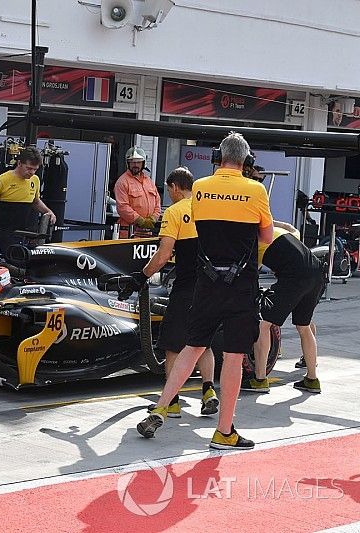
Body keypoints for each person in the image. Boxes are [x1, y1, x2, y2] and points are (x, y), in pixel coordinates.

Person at [136, 132, 273, 450]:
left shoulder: (200, 187)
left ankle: (161, 406)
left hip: (205, 283)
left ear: (217, 157)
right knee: (235, 357)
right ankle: (224, 432)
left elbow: (199, 224)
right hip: (240, 286)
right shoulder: (256, 189)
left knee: (193, 346)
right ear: (246, 161)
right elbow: (265, 237)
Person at [131, 167, 219, 417]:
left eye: (168, 189)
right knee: (203, 342)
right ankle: (209, 391)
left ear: (176, 187)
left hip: (186, 286)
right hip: (211, 286)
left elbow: (163, 255)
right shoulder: (209, 208)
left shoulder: (175, 212)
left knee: (173, 346)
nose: (168, 194)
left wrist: (143, 275)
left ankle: (172, 402)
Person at [245, 218, 324, 394]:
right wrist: (270, 220)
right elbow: (290, 226)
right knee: (304, 326)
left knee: (264, 324)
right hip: (317, 273)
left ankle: (259, 380)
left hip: (294, 278)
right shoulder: (287, 233)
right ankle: (312, 379)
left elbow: (253, 273)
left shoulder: (253, 241)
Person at [0, 146, 56, 252]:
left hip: (24, 232)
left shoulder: (35, 180)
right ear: (19, 163)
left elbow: (36, 201)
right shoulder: (2, 180)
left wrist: (48, 211)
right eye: (29, 168)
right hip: (3, 231)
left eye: (35, 169)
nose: (32, 172)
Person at [114, 146, 161, 237]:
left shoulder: (149, 181)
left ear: (143, 163)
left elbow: (157, 203)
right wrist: (140, 220)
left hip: (148, 232)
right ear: (128, 163)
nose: (135, 165)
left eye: (138, 162)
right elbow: (122, 207)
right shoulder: (122, 182)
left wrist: (153, 219)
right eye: (132, 162)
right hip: (129, 232)